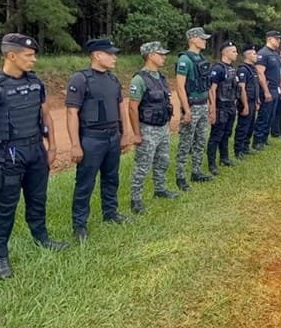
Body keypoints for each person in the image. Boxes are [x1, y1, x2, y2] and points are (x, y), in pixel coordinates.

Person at [0, 34, 67, 281]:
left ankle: (42, 238)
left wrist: (53, 146)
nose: (33, 59)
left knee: (38, 200)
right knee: (5, 208)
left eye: (34, 54)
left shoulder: (35, 82)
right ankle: (0, 256)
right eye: (29, 55)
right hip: (9, 155)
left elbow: (45, 116)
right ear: (11, 56)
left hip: (36, 150)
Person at [65, 39, 136, 241]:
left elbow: (121, 106)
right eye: (110, 54)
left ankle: (111, 212)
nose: (115, 57)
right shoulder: (80, 79)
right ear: (97, 55)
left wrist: (125, 133)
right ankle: (79, 225)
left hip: (112, 136)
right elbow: (71, 113)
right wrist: (75, 144)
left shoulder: (113, 80)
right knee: (85, 183)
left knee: (111, 178)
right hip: (91, 138)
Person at [127, 42, 178, 215]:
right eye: (160, 54)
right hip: (147, 128)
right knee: (143, 165)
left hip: (162, 126)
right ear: (150, 55)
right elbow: (133, 107)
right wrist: (136, 133)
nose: (164, 57)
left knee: (162, 161)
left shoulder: (162, 78)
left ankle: (160, 189)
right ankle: (136, 199)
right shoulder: (139, 79)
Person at [174, 27, 214, 191]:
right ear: (192, 39)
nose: (205, 41)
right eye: (202, 38)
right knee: (186, 143)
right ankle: (181, 176)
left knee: (200, 140)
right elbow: (180, 86)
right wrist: (186, 109)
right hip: (192, 105)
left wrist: (211, 104)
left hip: (203, 103)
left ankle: (196, 171)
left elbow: (207, 84)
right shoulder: (185, 59)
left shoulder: (200, 57)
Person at [207, 41, 239, 174]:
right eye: (233, 51)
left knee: (226, 133)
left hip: (230, 106)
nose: (236, 54)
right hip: (220, 107)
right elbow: (212, 90)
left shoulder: (231, 68)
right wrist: (213, 109)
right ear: (225, 53)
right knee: (216, 135)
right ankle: (212, 164)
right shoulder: (218, 69)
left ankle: (224, 158)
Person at [253, 31, 281, 151]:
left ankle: (264, 138)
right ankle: (257, 140)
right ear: (270, 39)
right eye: (277, 39)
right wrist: (265, 91)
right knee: (264, 115)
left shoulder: (275, 54)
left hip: (275, 88)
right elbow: (260, 73)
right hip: (267, 88)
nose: (279, 41)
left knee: (271, 115)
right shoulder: (263, 54)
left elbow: (277, 73)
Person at [233, 45, 259, 159]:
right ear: (247, 55)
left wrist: (257, 100)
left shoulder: (253, 68)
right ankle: (238, 150)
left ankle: (246, 146)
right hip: (246, 101)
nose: (256, 56)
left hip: (253, 101)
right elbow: (242, 88)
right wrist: (245, 104)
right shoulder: (243, 69)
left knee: (250, 125)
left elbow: (255, 86)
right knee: (243, 126)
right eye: (254, 54)